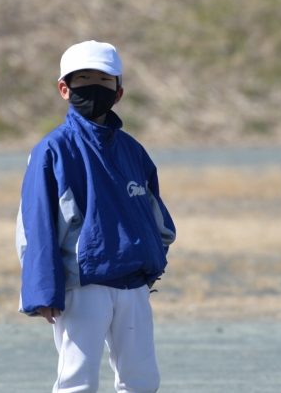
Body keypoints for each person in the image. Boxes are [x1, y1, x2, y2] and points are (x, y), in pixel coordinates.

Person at [16, 40, 176, 393]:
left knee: (141, 378)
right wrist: (43, 290)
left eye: (103, 81)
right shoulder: (53, 149)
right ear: (65, 89)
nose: (93, 87)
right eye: (83, 79)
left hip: (133, 284)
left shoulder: (132, 150)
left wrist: (152, 260)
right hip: (82, 284)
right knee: (77, 380)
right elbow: (36, 224)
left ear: (118, 93)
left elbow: (154, 214)